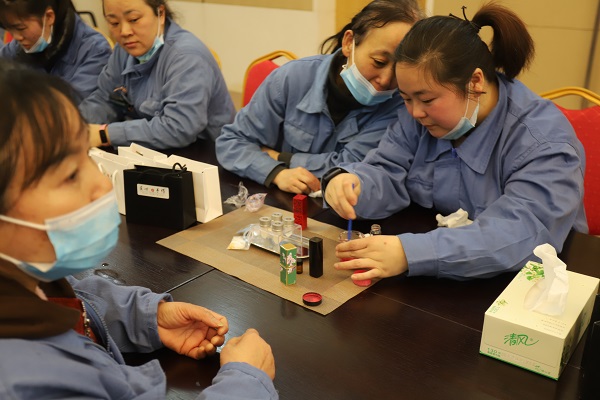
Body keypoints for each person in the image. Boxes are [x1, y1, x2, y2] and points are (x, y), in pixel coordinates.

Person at [0, 60, 277, 399]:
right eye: (70, 174)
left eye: (88, 156)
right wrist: (247, 381)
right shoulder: (23, 384)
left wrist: (146, 318)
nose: (103, 184)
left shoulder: (25, 277)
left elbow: (69, 297)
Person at [323, 3, 587, 281]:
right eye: (405, 98)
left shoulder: (543, 142)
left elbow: (520, 234)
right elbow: (387, 170)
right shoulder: (420, 117)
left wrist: (410, 253)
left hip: (535, 283)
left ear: (475, 82)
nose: (415, 113)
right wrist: (352, 183)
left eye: (426, 99)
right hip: (447, 275)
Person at [215, 0, 423, 194]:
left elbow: (355, 168)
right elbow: (232, 142)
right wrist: (276, 172)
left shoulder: (401, 107)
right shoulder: (293, 78)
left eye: (399, 68)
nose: (386, 80)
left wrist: (279, 157)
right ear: (349, 42)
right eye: (378, 62)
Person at [80, 0, 235, 150]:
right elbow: (104, 99)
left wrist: (105, 134)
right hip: (150, 153)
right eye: (114, 23)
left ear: (160, 14)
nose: (124, 32)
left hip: (206, 157)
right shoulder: (124, 51)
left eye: (134, 19)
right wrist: (74, 125)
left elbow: (179, 128)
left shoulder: (186, 57)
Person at [0, 0, 111, 102]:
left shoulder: (94, 50)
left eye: (21, 28)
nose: (16, 37)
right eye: (9, 29)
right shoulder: (17, 48)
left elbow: (69, 108)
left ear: (49, 17)